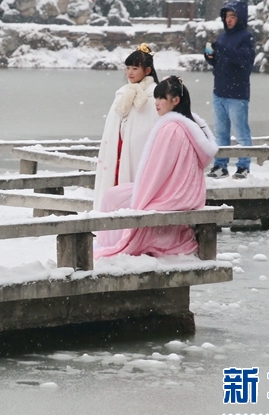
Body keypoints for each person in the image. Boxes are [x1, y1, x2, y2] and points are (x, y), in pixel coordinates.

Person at [94, 76, 217, 258]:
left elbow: (156, 173)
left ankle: (109, 244)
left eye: (161, 98)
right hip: (186, 194)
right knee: (117, 194)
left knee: (113, 197)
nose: (156, 103)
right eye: (156, 97)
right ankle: (107, 242)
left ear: (175, 101)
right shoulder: (189, 127)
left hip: (172, 194)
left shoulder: (171, 129)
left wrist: (140, 198)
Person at [93, 44, 160, 211]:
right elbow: (113, 125)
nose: (130, 72)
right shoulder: (123, 93)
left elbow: (151, 126)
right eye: (128, 68)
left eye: (135, 68)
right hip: (119, 147)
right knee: (115, 182)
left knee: (137, 178)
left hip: (138, 149)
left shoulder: (154, 96)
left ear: (147, 70)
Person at [204, 1, 256, 179]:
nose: (229, 20)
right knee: (221, 133)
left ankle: (243, 166)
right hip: (219, 92)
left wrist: (223, 50)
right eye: (227, 16)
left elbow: (244, 60)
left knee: (241, 132)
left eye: (233, 16)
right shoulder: (222, 37)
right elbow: (220, 62)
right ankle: (221, 165)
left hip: (237, 94)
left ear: (240, 18)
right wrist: (210, 57)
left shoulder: (246, 38)